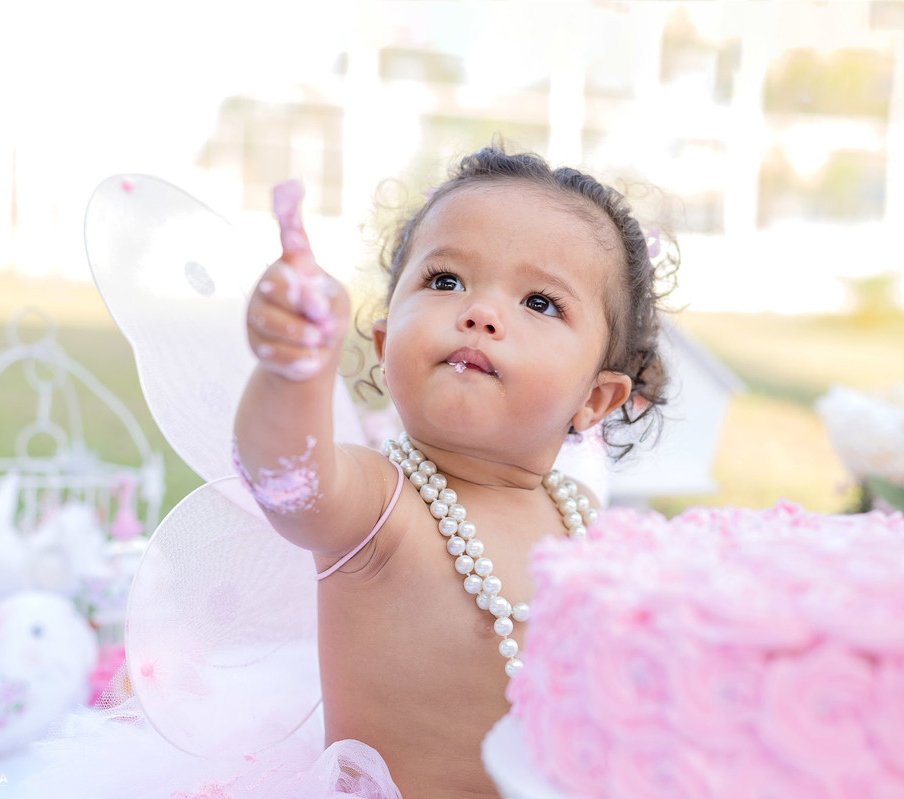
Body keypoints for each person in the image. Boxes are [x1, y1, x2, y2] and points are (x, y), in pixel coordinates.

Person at [233, 143, 670, 798]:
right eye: (445, 281)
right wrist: (292, 372)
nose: (480, 312)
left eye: (540, 302)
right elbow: (287, 482)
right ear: (385, 346)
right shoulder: (381, 503)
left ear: (595, 399)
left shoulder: (582, 517)